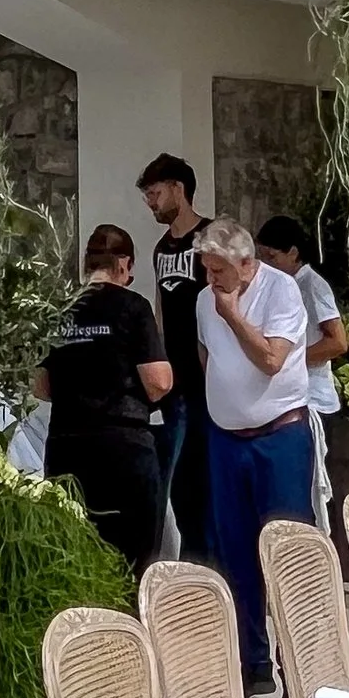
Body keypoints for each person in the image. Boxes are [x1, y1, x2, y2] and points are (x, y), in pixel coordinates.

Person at [192, 218, 314, 686]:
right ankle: (253, 662)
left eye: (219, 269)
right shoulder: (205, 301)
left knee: (286, 552)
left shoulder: (281, 292)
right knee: (236, 553)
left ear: (247, 265)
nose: (212, 280)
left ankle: (298, 670)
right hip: (226, 440)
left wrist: (234, 315)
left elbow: (270, 360)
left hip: (278, 436)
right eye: (206, 270)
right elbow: (208, 358)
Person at [36, 224, 173, 572]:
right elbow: (157, 381)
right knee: (133, 558)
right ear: (124, 264)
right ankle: (129, 624)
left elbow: (41, 387)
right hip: (123, 448)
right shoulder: (133, 308)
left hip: (66, 447)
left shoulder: (57, 310)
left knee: (73, 553)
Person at [140, 154, 212, 557]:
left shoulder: (209, 237)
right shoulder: (161, 248)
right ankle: (189, 558)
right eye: (148, 195)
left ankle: (205, 559)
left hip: (207, 376)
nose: (151, 203)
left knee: (202, 474)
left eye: (156, 193)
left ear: (178, 189)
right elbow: (161, 309)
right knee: (179, 477)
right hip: (174, 378)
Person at [256, 216, 347, 529]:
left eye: (272, 257)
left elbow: (337, 341)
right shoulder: (279, 287)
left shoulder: (312, 285)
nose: (266, 265)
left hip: (315, 400)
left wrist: (292, 359)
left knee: (316, 489)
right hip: (289, 399)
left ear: (293, 253)